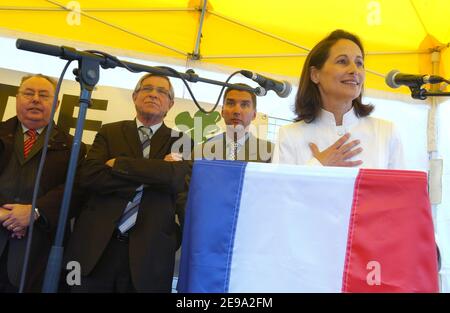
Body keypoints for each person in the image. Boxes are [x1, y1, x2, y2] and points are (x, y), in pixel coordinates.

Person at [64, 73, 191, 293]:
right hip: (96, 247)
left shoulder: (182, 141)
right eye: (147, 88)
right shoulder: (109, 131)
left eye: (162, 92)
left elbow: (176, 180)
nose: (153, 94)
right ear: (134, 96)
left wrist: (120, 164)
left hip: (150, 253)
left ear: (171, 103)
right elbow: (90, 176)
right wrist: (157, 172)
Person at [0, 74, 86, 292]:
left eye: (44, 95)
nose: (35, 99)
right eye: (28, 93)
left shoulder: (73, 147)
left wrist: (34, 212)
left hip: (36, 254)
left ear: (56, 104)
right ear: (17, 99)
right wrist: (5, 214)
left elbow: (74, 192)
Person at [272, 30, 404, 169]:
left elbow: (403, 189)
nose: (355, 70)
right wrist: (318, 165)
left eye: (359, 63)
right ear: (315, 74)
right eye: (342, 61)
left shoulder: (386, 132)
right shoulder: (290, 135)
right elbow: (278, 189)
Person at [200, 83, 273, 162]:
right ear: (222, 111)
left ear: (254, 114)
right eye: (231, 104)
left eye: (244, 105)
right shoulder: (202, 151)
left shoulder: (270, 153)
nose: (237, 111)